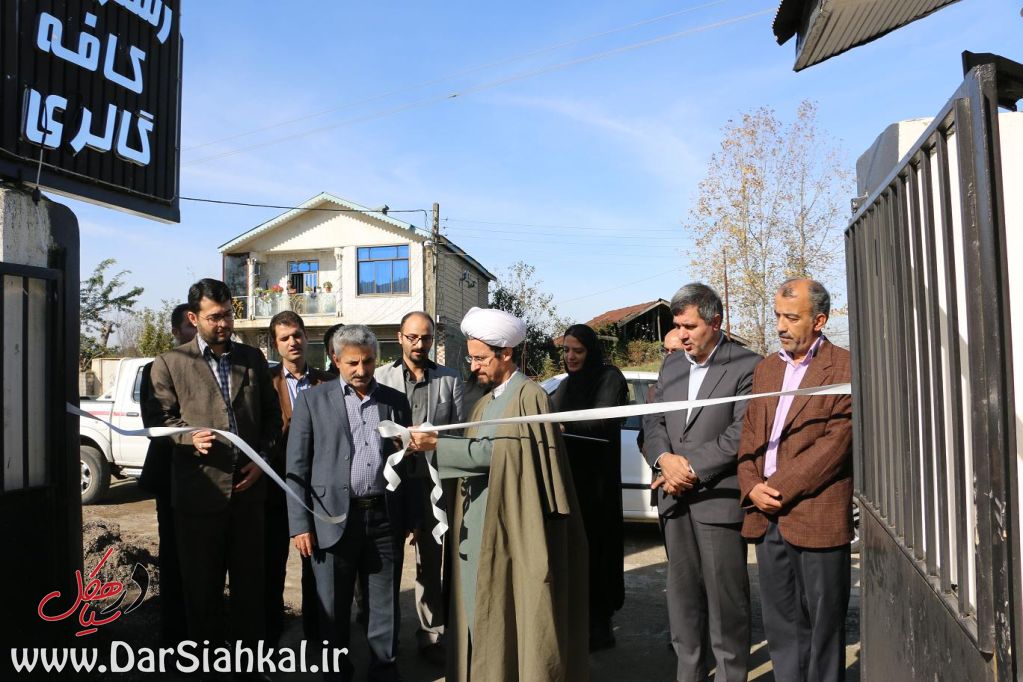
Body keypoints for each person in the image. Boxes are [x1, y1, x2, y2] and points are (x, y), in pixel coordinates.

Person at [409, 307, 589, 682]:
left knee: (515, 610)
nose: (473, 366)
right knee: (480, 612)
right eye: (471, 358)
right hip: (479, 526)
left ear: (505, 353)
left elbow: (503, 455)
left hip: (515, 528)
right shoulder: (485, 402)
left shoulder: (529, 397)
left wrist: (438, 445)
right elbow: (480, 454)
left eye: (480, 358)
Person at [147, 278, 282, 648]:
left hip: (248, 498)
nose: (224, 324)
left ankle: (249, 664)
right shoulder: (169, 364)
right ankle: (205, 664)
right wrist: (187, 437)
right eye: (214, 317)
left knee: (250, 591)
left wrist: (262, 460)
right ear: (193, 318)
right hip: (198, 499)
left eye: (228, 315)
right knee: (201, 593)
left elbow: (272, 419)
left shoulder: (252, 359)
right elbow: (158, 421)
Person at [643, 283, 761, 682]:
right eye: (677, 326)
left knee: (727, 605)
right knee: (682, 600)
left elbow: (742, 432)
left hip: (717, 501)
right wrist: (664, 460)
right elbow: (653, 420)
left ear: (715, 322)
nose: (681, 335)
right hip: (673, 502)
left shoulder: (747, 365)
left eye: (689, 326)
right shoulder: (672, 366)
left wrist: (688, 468)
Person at [287, 325, 418, 682]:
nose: (362, 370)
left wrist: (411, 516)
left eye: (369, 361)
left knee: (384, 605)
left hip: (384, 519)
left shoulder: (394, 401)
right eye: (353, 363)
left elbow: (407, 464)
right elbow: (296, 467)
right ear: (335, 359)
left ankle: (384, 670)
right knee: (333, 608)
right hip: (331, 521)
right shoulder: (313, 401)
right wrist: (300, 525)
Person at [736, 278, 853, 682]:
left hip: (816, 514)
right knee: (782, 624)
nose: (781, 326)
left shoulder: (845, 368)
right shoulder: (767, 368)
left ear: (819, 320)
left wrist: (775, 488)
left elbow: (835, 445)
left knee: (823, 626)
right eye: (777, 317)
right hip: (765, 515)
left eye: (791, 317)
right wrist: (751, 485)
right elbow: (750, 434)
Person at [374, 311, 464, 666]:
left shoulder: (450, 379)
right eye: (412, 337)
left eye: (425, 338)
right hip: (391, 485)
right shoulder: (381, 377)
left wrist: (434, 441)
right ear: (400, 337)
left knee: (430, 562)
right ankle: (386, 637)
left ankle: (431, 635)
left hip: (432, 485)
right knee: (388, 562)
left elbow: (458, 432)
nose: (419, 344)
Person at [550, 323, 628, 651]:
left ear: (591, 351)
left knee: (598, 556)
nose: (570, 357)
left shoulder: (610, 378)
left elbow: (601, 421)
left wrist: (562, 425)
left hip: (598, 489)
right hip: (571, 486)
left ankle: (600, 626)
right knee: (572, 557)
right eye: (566, 350)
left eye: (578, 351)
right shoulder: (565, 386)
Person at [265, 311, 335, 645]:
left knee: (316, 569)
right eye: (284, 338)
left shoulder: (328, 383)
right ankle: (271, 638)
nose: (292, 342)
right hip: (275, 489)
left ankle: (317, 638)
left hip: (316, 493)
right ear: (275, 344)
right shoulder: (265, 384)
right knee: (272, 568)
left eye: (297, 335)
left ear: (306, 337)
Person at [138, 303, 196, 645]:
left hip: (212, 480)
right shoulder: (156, 369)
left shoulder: (217, 366)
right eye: (189, 327)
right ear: (176, 332)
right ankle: (174, 637)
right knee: (174, 557)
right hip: (172, 477)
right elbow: (156, 423)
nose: (196, 333)